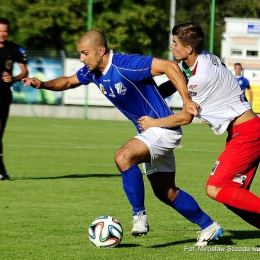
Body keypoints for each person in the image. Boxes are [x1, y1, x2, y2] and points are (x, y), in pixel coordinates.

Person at [22, 29, 223, 246]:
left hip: (163, 129)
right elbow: (68, 82)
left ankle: (139, 216)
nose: (82, 58)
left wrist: (186, 100)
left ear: (101, 50)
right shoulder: (92, 72)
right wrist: (41, 84)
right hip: (151, 132)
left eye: (85, 53)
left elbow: (170, 66)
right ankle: (210, 226)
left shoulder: (126, 64)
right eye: (80, 54)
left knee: (123, 157)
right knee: (166, 192)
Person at [138, 21, 260, 231]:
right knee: (230, 196)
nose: (172, 46)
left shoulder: (200, 79)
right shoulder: (205, 58)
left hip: (246, 133)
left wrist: (153, 123)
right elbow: (177, 82)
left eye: (175, 43)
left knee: (215, 188)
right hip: (246, 129)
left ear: (188, 48)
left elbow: (185, 118)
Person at [0, 18, 28, 181]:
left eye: (5, 31)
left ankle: (2, 172)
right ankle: (2, 172)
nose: (3, 34)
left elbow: (24, 70)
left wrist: (14, 78)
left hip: (3, 96)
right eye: (0, 30)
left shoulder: (14, 49)